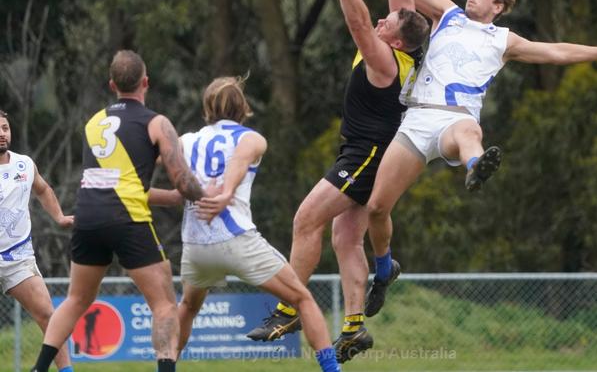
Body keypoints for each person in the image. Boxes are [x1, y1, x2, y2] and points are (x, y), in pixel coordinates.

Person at [361, 0, 597, 317]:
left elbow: (556, 51)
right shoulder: (447, 15)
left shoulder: (504, 40)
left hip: (456, 116)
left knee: (468, 133)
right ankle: (385, 269)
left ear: (498, 6)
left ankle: (476, 165)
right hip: (417, 118)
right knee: (376, 209)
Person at [247, 0, 430, 363]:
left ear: (398, 42)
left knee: (305, 220)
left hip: (366, 156)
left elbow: (358, 24)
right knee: (344, 239)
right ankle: (354, 327)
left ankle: (288, 306)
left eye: (390, 24)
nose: (384, 21)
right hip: (372, 153)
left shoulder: (386, 61)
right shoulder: (402, 44)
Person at [148, 76, 342, 372]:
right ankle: (332, 369)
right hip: (236, 240)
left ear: (206, 108)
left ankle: (167, 368)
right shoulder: (252, 138)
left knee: (187, 307)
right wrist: (226, 193)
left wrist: (132, 189)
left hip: (196, 244)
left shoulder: (186, 141)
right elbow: (240, 158)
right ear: (243, 108)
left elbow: (151, 158)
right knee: (302, 298)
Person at [31, 50, 209, 372]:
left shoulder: (93, 124)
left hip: (87, 217)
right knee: (165, 305)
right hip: (127, 219)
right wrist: (207, 196)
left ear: (112, 84)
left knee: (76, 300)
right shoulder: (156, 122)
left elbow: (115, 181)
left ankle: (39, 368)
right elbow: (183, 180)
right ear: (146, 82)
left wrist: (171, 198)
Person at [0, 110, 75, 372]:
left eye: (5, 128)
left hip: (17, 257)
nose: (1, 133)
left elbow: (43, 189)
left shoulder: (24, 164)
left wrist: (60, 217)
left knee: (49, 316)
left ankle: (66, 371)